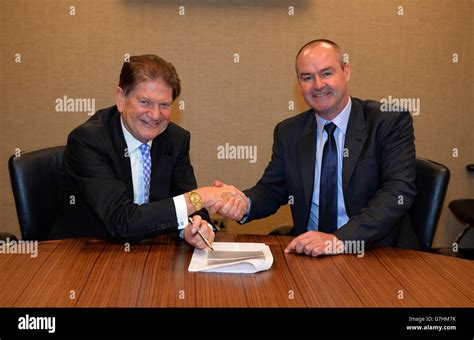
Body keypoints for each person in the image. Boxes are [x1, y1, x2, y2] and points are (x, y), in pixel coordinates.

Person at [214, 39, 420, 257]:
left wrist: (338, 240)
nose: (318, 85)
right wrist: (243, 202)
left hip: (376, 252)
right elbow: (273, 189)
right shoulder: (289, 132)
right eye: (307, 77)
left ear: (346, 71)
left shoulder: (388, 121)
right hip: (311, 254)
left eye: (327, 73)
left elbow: (397, 191)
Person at [50, 54, 243, 249]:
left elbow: (186, 202)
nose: (155, 115)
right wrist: (203, 196)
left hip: (149, 255)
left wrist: (195, 227)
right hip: (84, 256)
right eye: (145, 102)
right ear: (121, 98)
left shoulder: (176, 139)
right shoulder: (88, 141)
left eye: (165, 105)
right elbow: (122, 221)